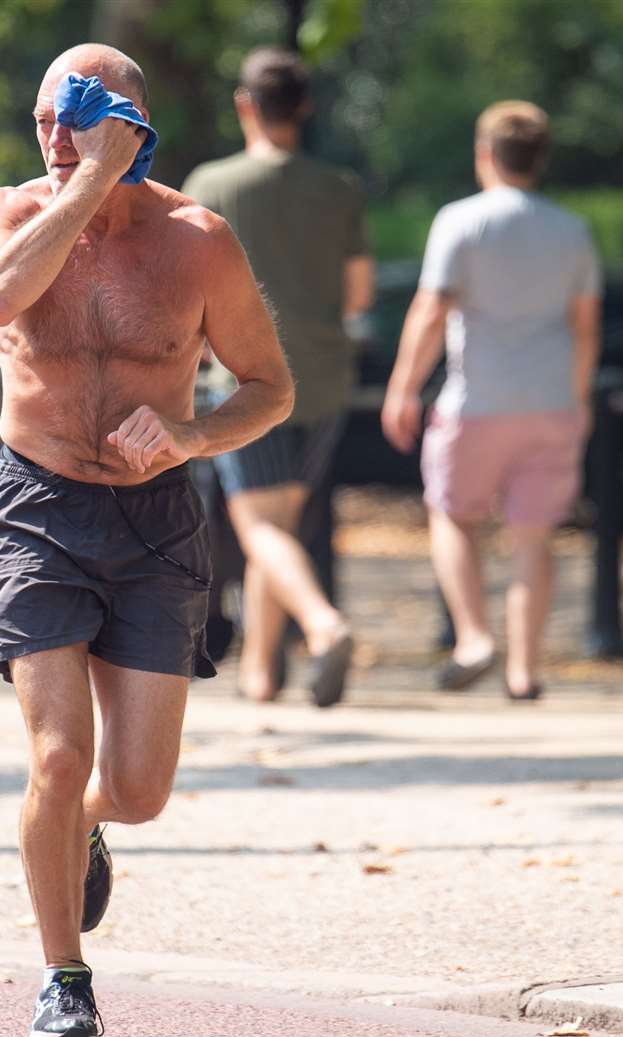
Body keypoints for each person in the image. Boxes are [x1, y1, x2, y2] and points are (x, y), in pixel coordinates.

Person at [0, 43, 294, 1037]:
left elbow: (269, 388)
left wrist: (191, 436)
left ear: (131, 119)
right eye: (42, 118)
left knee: (138, 790)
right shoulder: (11, 214)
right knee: (58, 756)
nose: (52, 137)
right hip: (34, 510)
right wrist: (91, 179)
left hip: (154, 523)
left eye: (77, 114)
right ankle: (64, 975)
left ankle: (78, 829)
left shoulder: (198, 240)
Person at [381, 101, 601, 701]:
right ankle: (525, 671)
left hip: (475, 401)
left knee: (452, 514)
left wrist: (403, 386)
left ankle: (474, 636)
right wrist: (578, 400)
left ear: (485, 156)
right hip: (551, 402)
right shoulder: (572, 230)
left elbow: (431, 310)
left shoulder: (460, 220)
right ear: (542, 159)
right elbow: (585, 328)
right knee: (533, 538)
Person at [182, 47, 371, 707]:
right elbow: (357, 293)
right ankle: (259, 675)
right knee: (279, 526)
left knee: (257, 529)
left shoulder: (209, 186)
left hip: (241, 380)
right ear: (305, 107)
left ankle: (322, 625)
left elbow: (187, 292)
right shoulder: (339, 188)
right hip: (323, 378)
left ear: (244, 106)